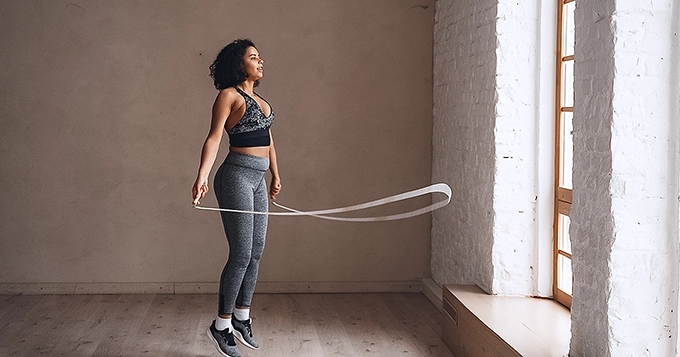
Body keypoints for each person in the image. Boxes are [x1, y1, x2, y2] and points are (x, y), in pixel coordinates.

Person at [192, 38, 281, 357]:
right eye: (253, 57)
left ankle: (242, 318)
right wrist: (201, 176)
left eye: (261, 57)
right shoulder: (228, 95)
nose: (260, 62)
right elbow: (214, 137)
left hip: (258, 179)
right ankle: (221, 324)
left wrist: (276, 173)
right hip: (236, 176)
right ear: (238, 64)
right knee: (242, 253)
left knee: (256, 253)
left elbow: (268, 140)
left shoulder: (262, 100)